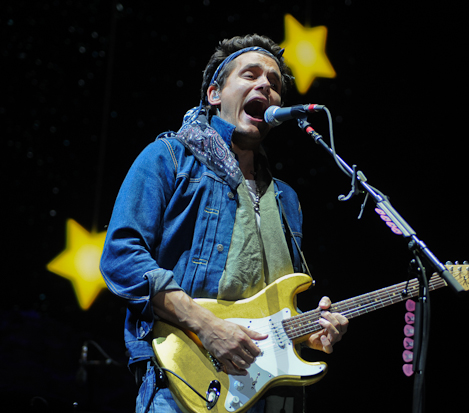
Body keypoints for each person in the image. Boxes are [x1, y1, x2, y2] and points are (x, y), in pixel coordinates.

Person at [100, 34, 348, 413]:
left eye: (274, 83)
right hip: (186, 383)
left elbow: (269, 310)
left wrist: (308, 333)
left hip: (272, 393)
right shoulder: (169, 157)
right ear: (214, 94)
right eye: (250, 75)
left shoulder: (286, 199)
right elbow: (121, 256)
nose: (265, 85)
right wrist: (207, 326)